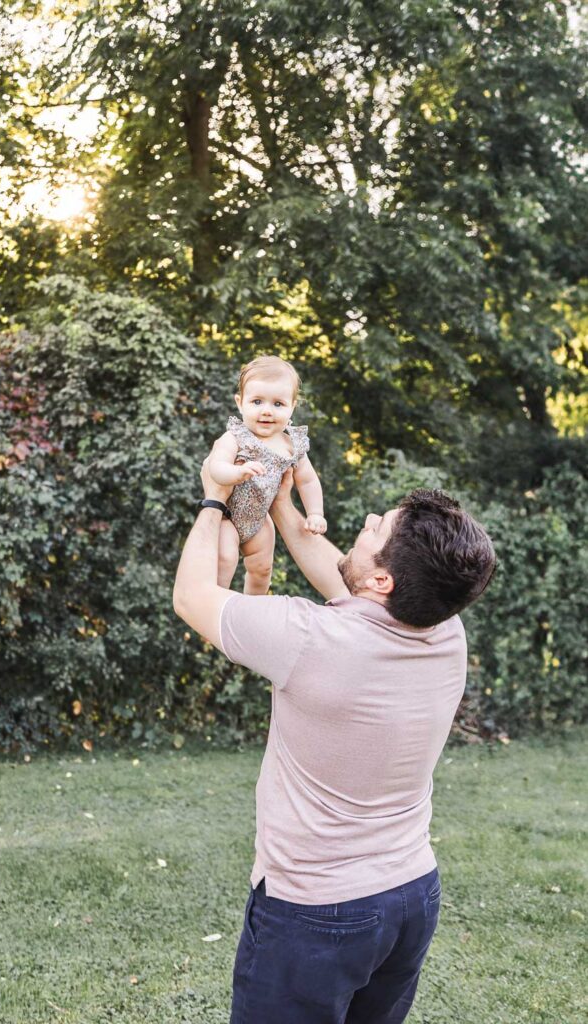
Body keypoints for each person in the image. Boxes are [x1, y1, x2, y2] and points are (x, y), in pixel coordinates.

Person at [173, 455, 496, 1024]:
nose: (368, 519)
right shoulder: (445, 627)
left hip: (315, 912)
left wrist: (215, 499)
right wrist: (277, 494)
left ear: (383, 580)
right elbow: (341, 573)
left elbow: (192, 596)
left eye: (378, 528)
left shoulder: (309, 638)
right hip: (411, 896)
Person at [208, 354, 326, 595]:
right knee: (225, 560)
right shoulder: (236, 437)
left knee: (262, 568)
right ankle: (215, 609)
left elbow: (308, 480)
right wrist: (236, 472)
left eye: (278, 404)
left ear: (292, 406)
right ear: (240, 403)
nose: (267, 411)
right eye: (257, 402)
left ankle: (253, 608)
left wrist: (315, 513)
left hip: (260, 519)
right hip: (227, 517)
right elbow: (215, 468)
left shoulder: (292, 444)